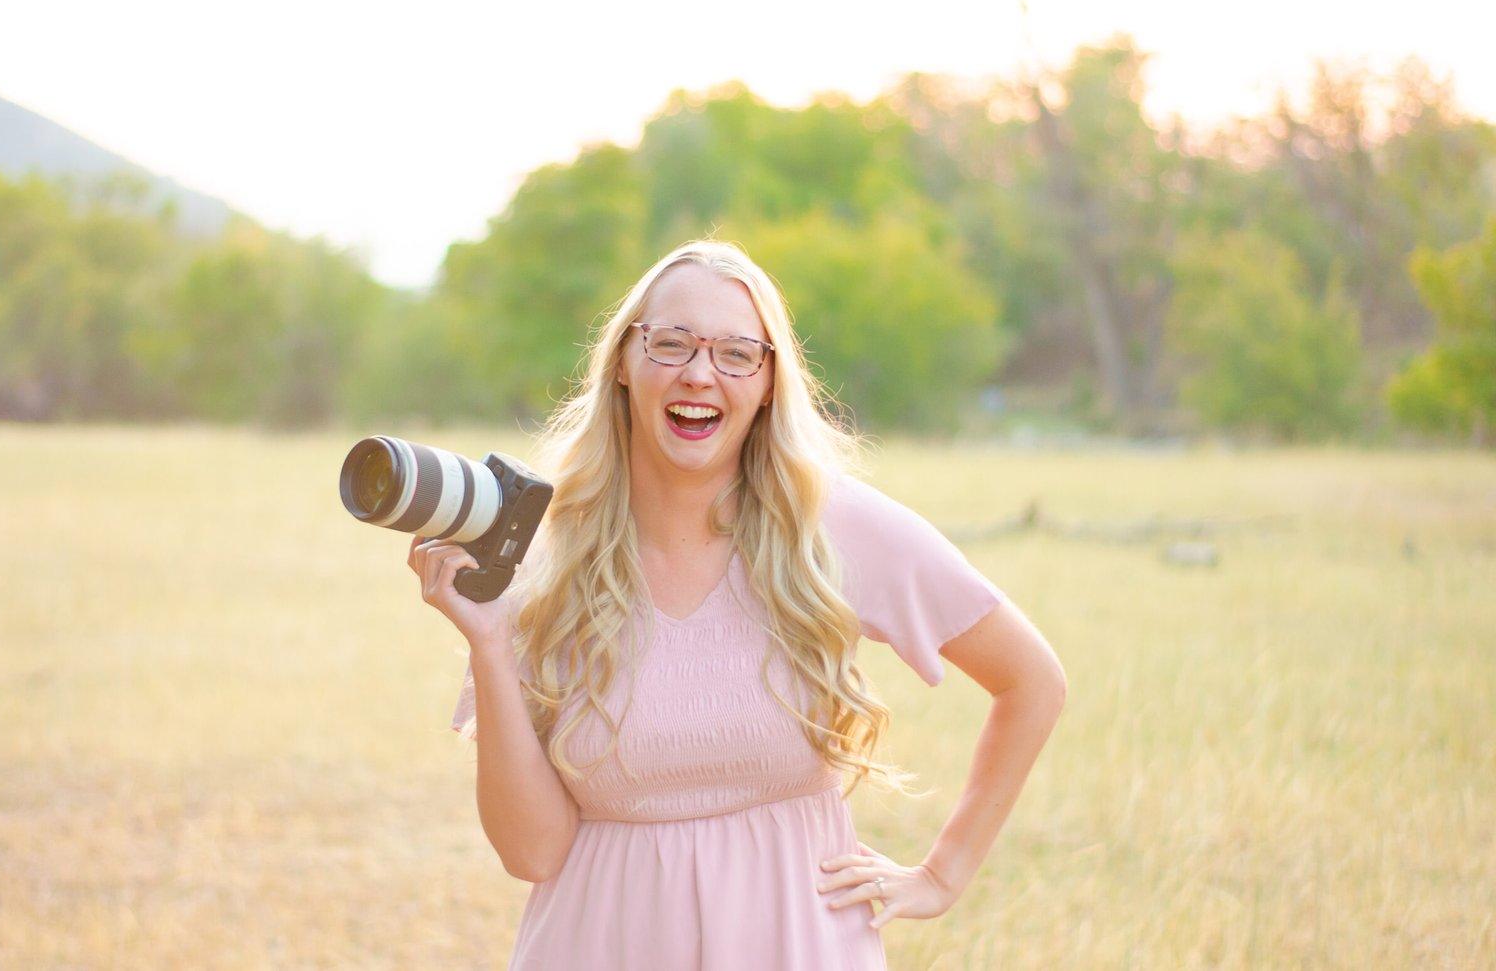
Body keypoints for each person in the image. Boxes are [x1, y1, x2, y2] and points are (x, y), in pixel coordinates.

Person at [407, 240, 1066, 970]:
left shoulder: (832, 525)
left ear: (767, 382)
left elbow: (1031, 679)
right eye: (672, 343)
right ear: (624, 363)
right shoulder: (543, 548)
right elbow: (531, 850)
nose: (699, 372)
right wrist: (490, 647)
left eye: (736, 353)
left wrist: (944, 872)